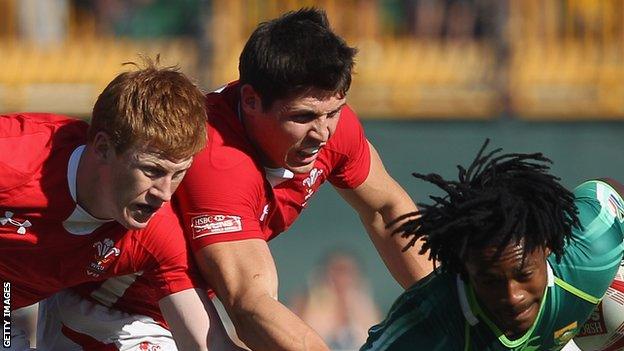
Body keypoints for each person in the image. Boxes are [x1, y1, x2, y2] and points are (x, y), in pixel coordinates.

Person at [39, 8, 431, 351]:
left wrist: (453, 306)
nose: (323, 133)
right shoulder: (217, 158)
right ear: (249, 101)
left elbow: (386, 210)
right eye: (303, 117)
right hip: (111, 314)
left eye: (334, 112)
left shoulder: (329, 122)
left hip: (194, 317)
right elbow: (250, 304)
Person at [0, 60, 229, 351]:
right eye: (152, 171)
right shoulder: (13, 158)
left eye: (178, 174)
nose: (165, 193)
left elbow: (208, 344)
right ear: (103, 148)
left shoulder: (156, 230)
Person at [360, 141, 624, 350]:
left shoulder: (593, 243)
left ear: (548, 247)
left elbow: (610, 191)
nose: (513, 296)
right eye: (490, 280)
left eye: (524, 274)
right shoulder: (427, 327)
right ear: (464, 268)